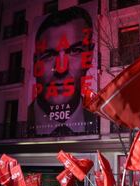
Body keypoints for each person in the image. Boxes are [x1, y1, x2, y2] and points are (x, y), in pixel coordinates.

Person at [27, 6, 97, 136]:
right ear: (35, 60)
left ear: (90, 55)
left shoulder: (95, 119)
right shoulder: (26, 118)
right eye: (49, 55)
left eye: (75, 51)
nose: (61, 68)